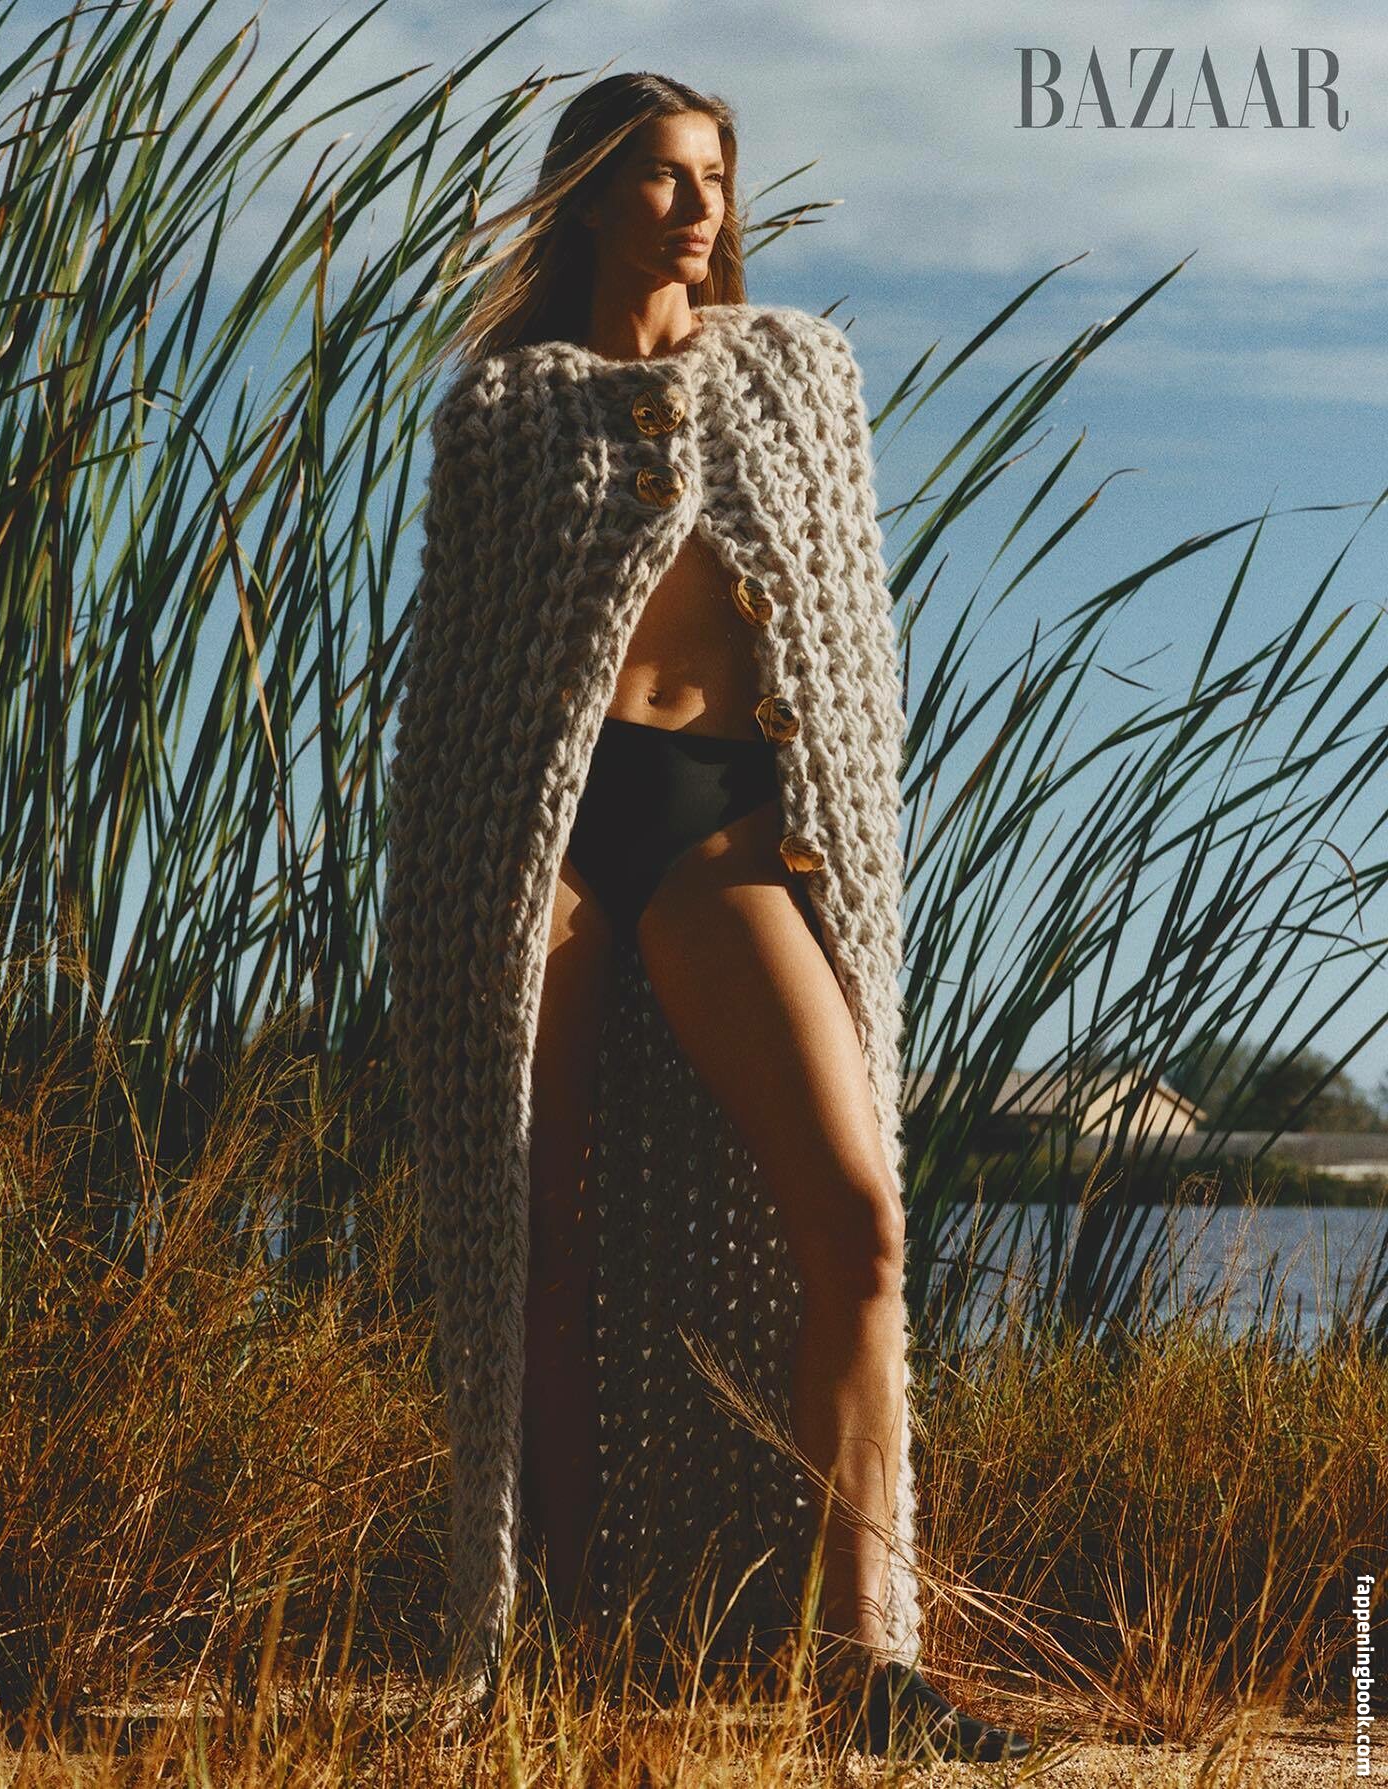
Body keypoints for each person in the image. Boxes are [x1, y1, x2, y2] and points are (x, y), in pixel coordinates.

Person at [384, 69, 1035, 1763]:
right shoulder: (503, 413)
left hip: (723, 826)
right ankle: (551, 1640)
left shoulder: (795, 376)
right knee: (536, 1247)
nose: (699, 207)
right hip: (537, 836)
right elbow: (459, 694)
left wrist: (836, 850)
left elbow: (847, 646)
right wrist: (447, 895)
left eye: (715, 178)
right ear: (593, 193)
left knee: (861, 1222)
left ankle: (867, 1658)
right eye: (665, 177)